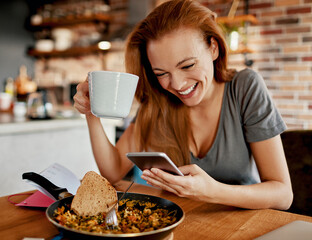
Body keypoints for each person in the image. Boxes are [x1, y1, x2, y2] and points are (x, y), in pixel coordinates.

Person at [73, 0, 293, 210]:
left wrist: (212, 191)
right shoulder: (157, 104)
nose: (177, 85)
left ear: (213, 48)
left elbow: (283, 195)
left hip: (243, 223)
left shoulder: (245, 88)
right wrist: (92, 111)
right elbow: (112, 171)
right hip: (184, 223)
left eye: (187, 65)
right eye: (162, 73)